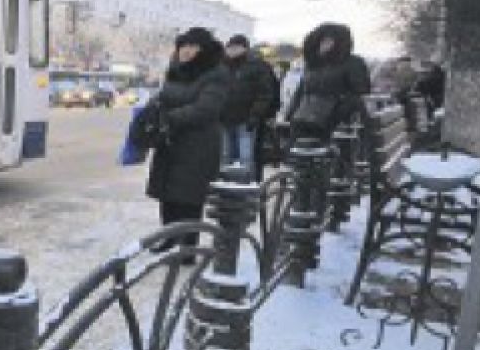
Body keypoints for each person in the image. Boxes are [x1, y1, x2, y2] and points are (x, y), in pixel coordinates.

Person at [146, 27, 229, 252]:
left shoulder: (216, 74)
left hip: (197, 144)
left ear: (203, 50)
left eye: (193, 46)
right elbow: (165, 97)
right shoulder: (175, 70)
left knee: (189, 198)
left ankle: (188, 248)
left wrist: (170, 117)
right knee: (168, 196)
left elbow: (206, 109)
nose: (186, 51)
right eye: (183, 45)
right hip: (171, 141)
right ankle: (169, 238)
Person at [284, 22, 371, 140]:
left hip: (335, 123)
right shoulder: (313, 64)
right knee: (296, 152)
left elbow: (359, 92)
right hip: (304, 119)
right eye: (322, 40)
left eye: (329, 41)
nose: (324, 44)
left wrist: (337, 115)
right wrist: (290, 114)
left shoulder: (353, 62)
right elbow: (302, 91)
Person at [218, 34, 277, 180]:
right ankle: (226, 187)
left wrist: (255, 115)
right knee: (226, 156)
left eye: (235, 47)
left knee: (246, 157)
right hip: (225, 119)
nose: (232, 50)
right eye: (230, 47)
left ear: (244, 48)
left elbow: (265, 93)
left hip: (246, 120)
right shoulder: (223, 65)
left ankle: (246, 188)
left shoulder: (256, 66)